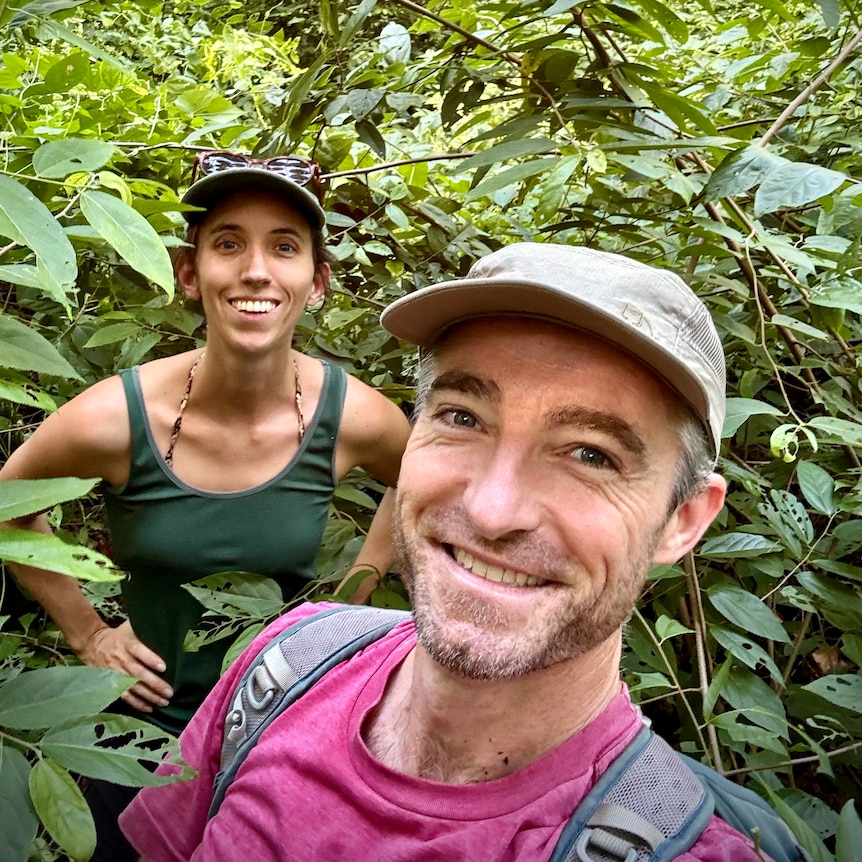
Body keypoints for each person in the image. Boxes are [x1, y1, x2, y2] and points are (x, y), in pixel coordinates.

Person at [119, 242, 764, 861]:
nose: (491, 510)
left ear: (683, 520)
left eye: (591, 454)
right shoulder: (287, 663)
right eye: (462, 417)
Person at [0, 151, 411, 859]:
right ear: (190, 276)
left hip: (290, 731)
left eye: (284, 247)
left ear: (317, 283)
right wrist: (87, 631)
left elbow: (421, 485)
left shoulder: (356, 419)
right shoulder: (117, 418)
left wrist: (359, 588)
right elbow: (9, 503)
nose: (256, 270)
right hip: (140, 734)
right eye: (228, 243)